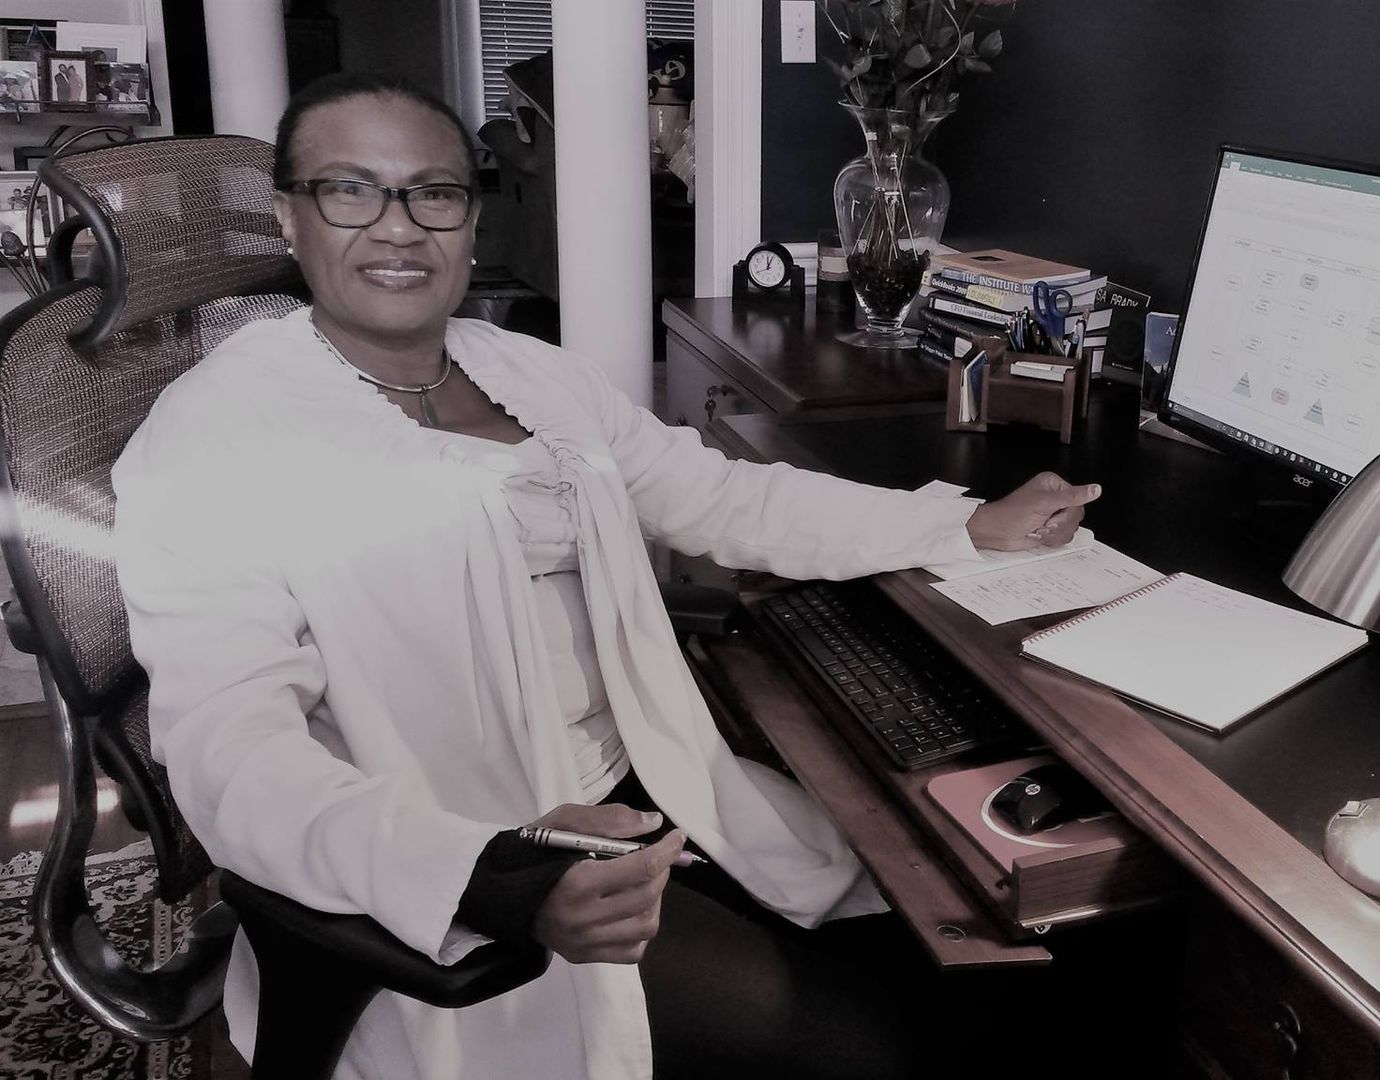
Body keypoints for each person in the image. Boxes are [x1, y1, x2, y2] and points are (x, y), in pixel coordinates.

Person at [112, 74, 1097, 1080]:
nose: (398, 228)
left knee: (986, 948)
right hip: (476, 861)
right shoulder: (210, 442)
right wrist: (491, 871)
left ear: (470, 216)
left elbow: (716, 496)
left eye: (433, 192)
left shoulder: (526, 369)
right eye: (350, 190)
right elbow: (230, 759)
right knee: (876, 1046)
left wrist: (964, 523)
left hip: (650, 790)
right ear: (289, 214)